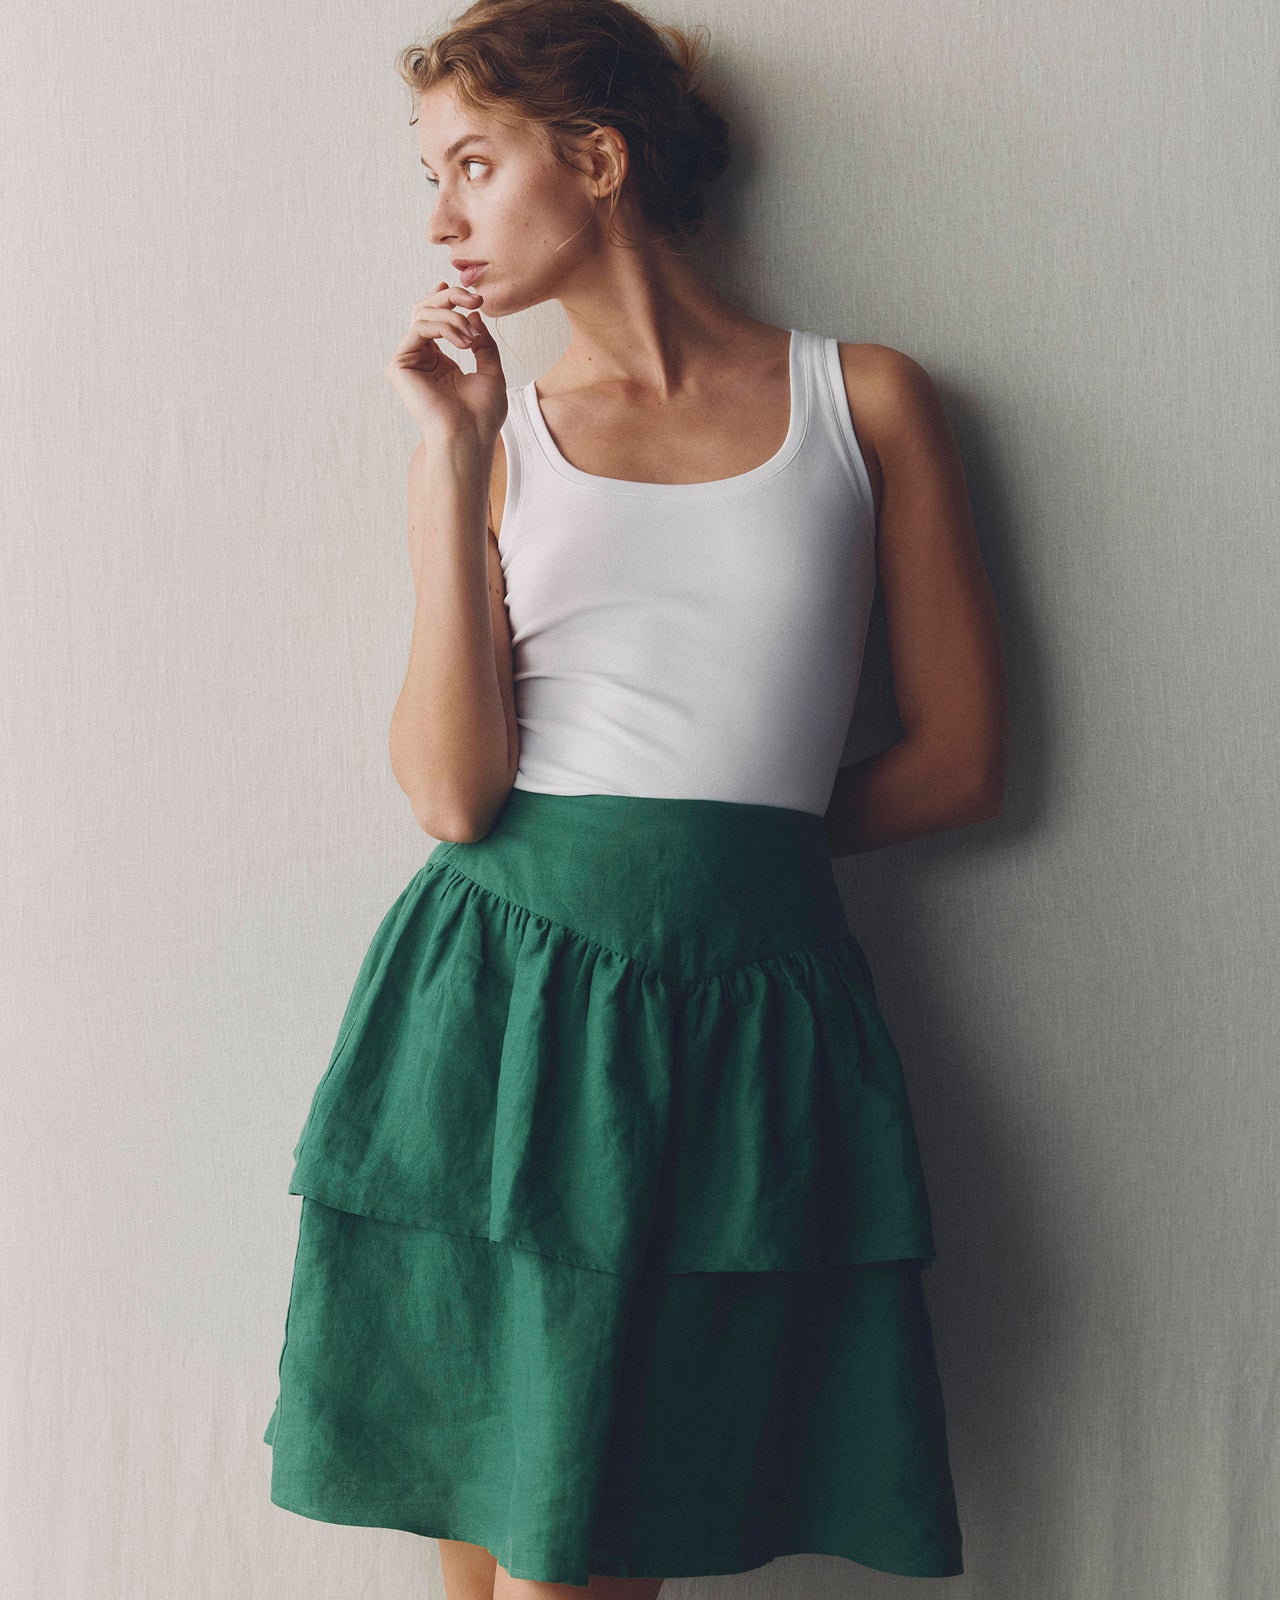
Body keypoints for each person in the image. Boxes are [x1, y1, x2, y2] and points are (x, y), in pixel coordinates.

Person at [262, 1, 1008, 1596]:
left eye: (474, 163)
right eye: (430, 176)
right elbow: (452, 794)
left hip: (746, 1014)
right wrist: (453, 457)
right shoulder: (496, 441)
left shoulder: (867, 401)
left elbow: (957, 759)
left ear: (596, 160)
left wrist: (705, 868)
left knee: (607, 1531)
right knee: (510, 1539)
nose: (442, 220)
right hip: (498, 1004)